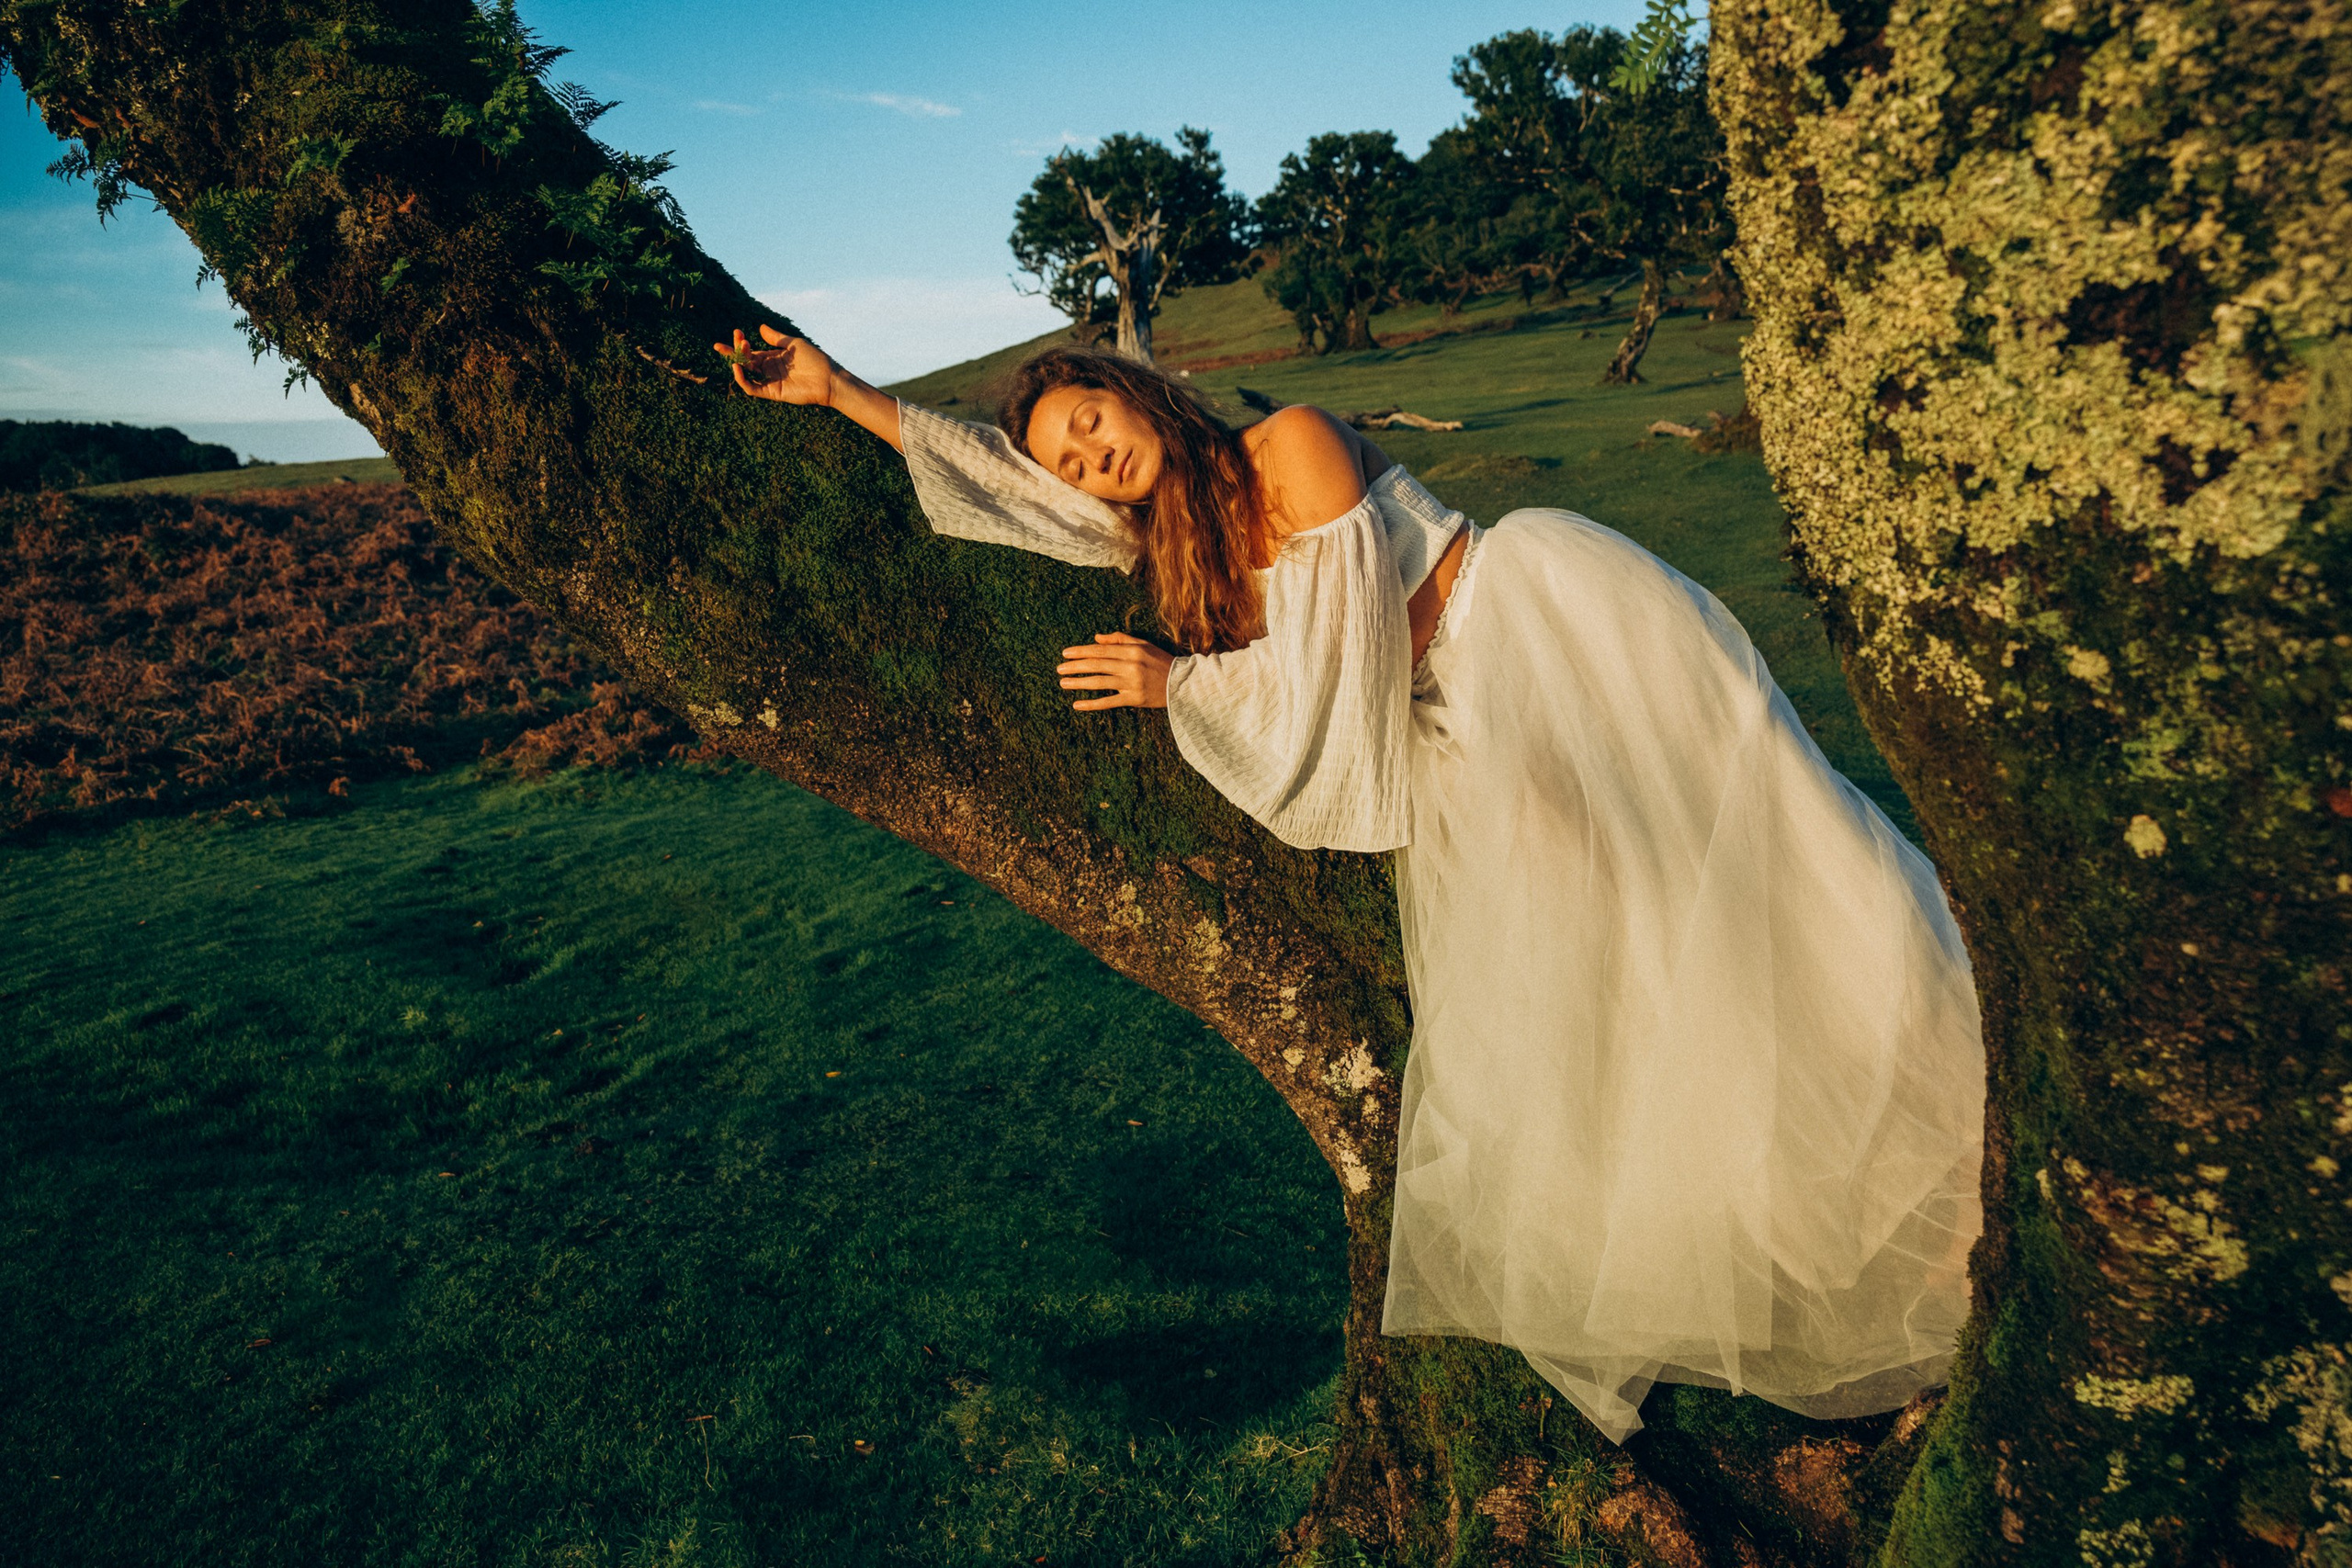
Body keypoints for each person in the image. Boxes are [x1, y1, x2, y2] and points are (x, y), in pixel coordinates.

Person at [710, 323, 1986, 1442]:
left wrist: (1181, 683)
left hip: (1542, 646)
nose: (1087, 462)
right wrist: (840, 394)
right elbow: (1009, 492)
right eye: (1068, 458)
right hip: (1462, 736)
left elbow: (1337, 668)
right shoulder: (1163, 528)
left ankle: (1946, 1161)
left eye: (1090, 424)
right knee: (1632, 978)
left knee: (1745, 886)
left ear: (1136, 393)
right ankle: (1823, 1258)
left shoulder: (1296, 449)